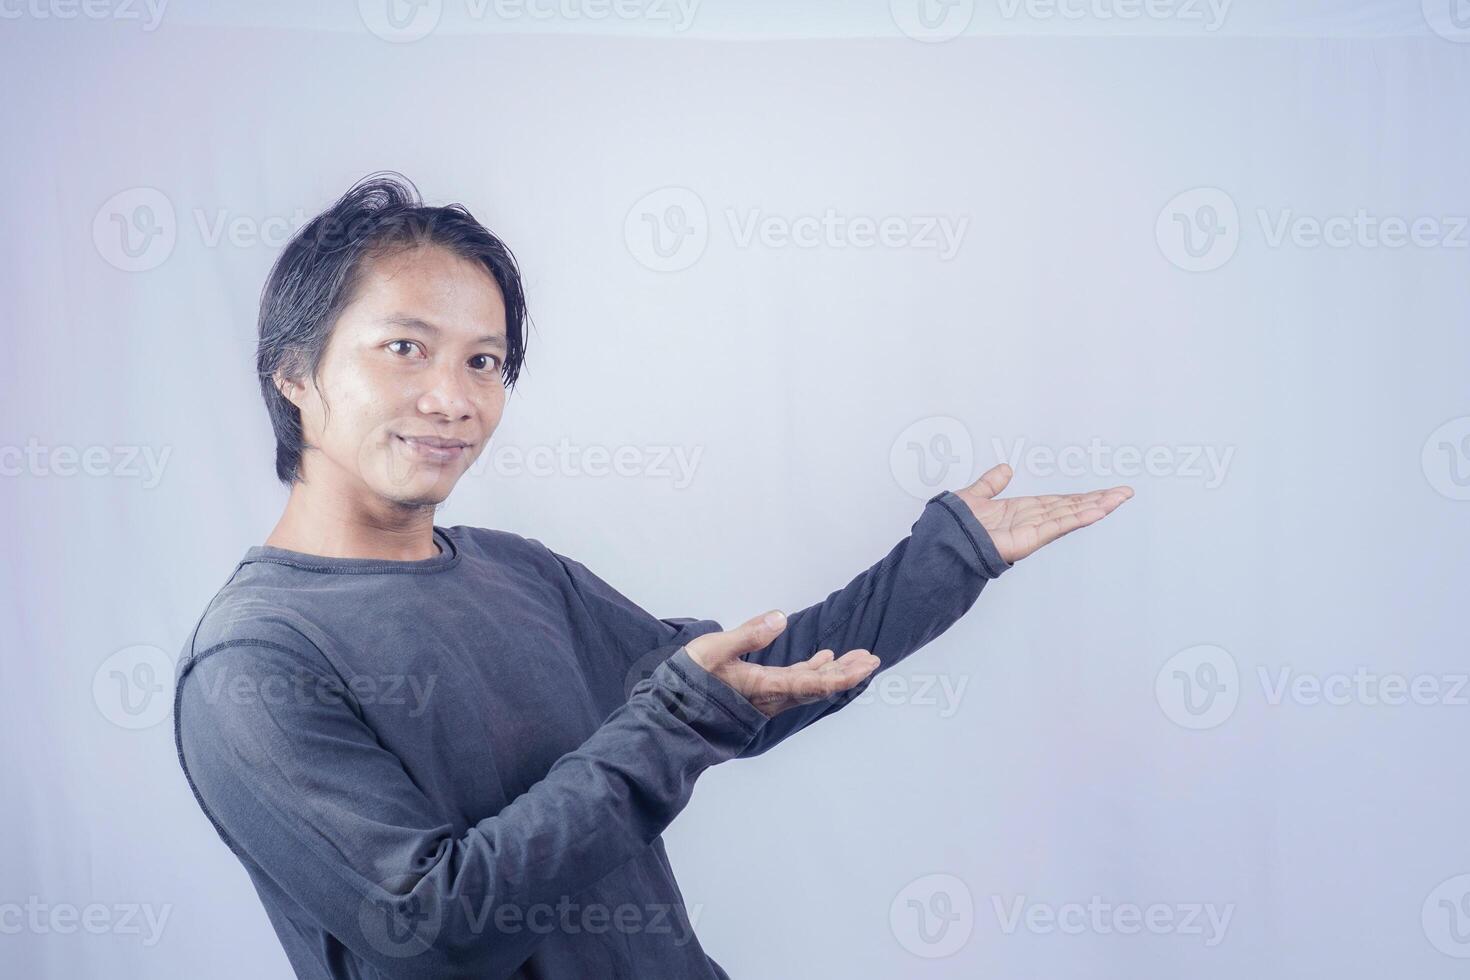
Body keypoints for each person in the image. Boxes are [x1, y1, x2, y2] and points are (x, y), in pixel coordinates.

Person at [172, 172, 1133, 979]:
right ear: (293, 370)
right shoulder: (251, 661)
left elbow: (737, 685)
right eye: (405, 348)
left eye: (485, 362)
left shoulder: (521, 574)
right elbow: (430, 925)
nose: (452, 398)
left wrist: (948, 559)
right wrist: (673, 719)